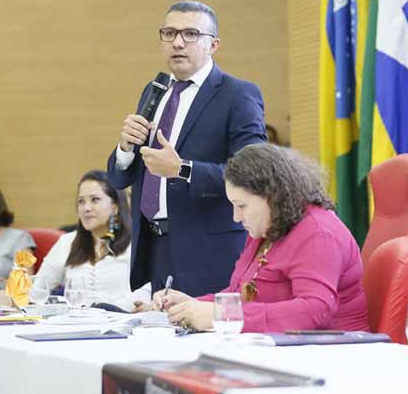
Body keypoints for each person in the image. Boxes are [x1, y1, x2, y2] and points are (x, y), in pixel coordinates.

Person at [107, 0, 266, 298]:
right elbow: (118, 180)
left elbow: (253, 174)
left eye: (191, 34)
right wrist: (125, 148)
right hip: (154, 248)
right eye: (169, 33)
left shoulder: (238, 95)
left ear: (213, 45)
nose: (178, 42)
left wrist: (182, 170)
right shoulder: (155, 90)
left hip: (210, 254)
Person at [152, 143, 368, 333]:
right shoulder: (267, 227)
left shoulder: (318, 233)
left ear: (272, 197)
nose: (236, 217)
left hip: (334, 351)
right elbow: (243, 294)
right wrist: (191, 306)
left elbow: (315, 310)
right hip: (283, 347)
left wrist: (218, 314)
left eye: (242, 206)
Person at [35, 171, 150, 311]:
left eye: (95, 199)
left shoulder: (137, 242)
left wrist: (115, 309)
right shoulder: (67, 242)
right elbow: (38, 289)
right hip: (76, 325)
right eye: (81, 201)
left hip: (124, 321)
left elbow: (150, 288)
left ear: (116, 207)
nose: (86, 208)